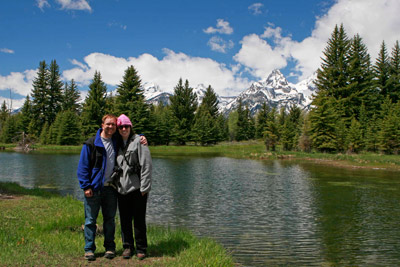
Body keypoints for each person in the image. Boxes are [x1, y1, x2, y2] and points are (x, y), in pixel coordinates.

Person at [77, 114, 147, 261]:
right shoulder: (90, 144)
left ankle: (110, 248)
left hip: (111, 188)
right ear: (102, 125)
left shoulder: (116, 141)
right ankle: (89, 249)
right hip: (94, 188)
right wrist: (86, 186)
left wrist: (141, 136)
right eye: (108, 124)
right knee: (90, 220)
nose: (111, 127)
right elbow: (82, 168)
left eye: (113, 125)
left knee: (110, 220)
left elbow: (130, 137)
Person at [115, 114, 152, 260]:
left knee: (138, 220)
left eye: (126, 126)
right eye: (121, 127)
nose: (124, 129)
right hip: (121, 188)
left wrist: (145, 187)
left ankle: (141, 248)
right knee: (124, 220)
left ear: (130, 127)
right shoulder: (115, 143)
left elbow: (147, 165)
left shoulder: (139, 142)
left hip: (137, 189)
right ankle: (127, 247)